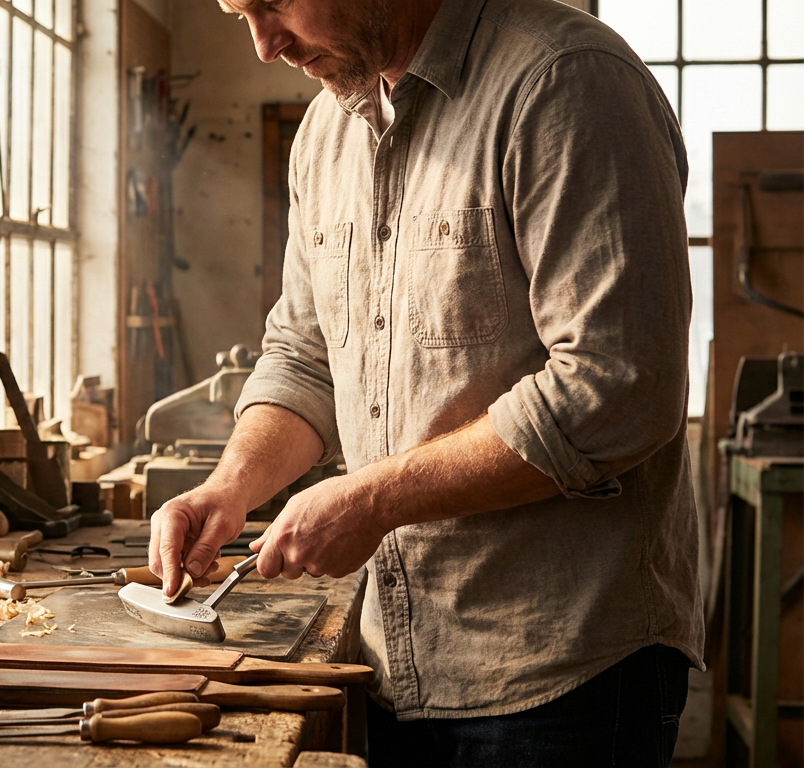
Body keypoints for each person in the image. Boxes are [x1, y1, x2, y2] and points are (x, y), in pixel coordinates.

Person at [147, 0, 704, 764]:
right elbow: (306, 353)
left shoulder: (565, 83)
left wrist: (372, 499)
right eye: (240, 11)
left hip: (563, 676)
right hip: (393, 662)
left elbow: (616, 388)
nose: (264, 43)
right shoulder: (325, 133)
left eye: (273, 3)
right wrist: (231, 487)